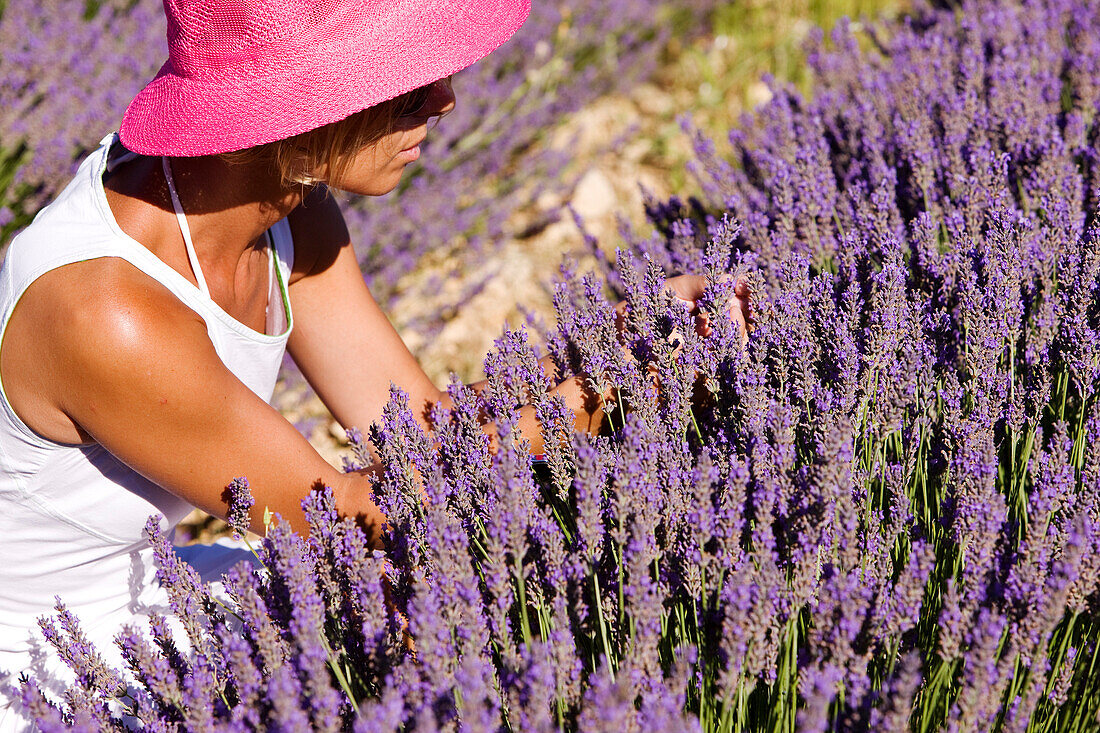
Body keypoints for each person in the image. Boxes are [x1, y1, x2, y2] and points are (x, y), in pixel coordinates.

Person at [0, 0, 749, 727]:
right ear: (299, 109)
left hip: (177, 609)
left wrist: (622, 333)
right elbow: (363, 517)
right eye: (402, 79)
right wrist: (611, 387)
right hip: (61, 685)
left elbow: (420, 431)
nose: (446, 99)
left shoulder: (288, 203)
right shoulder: (106, 312)